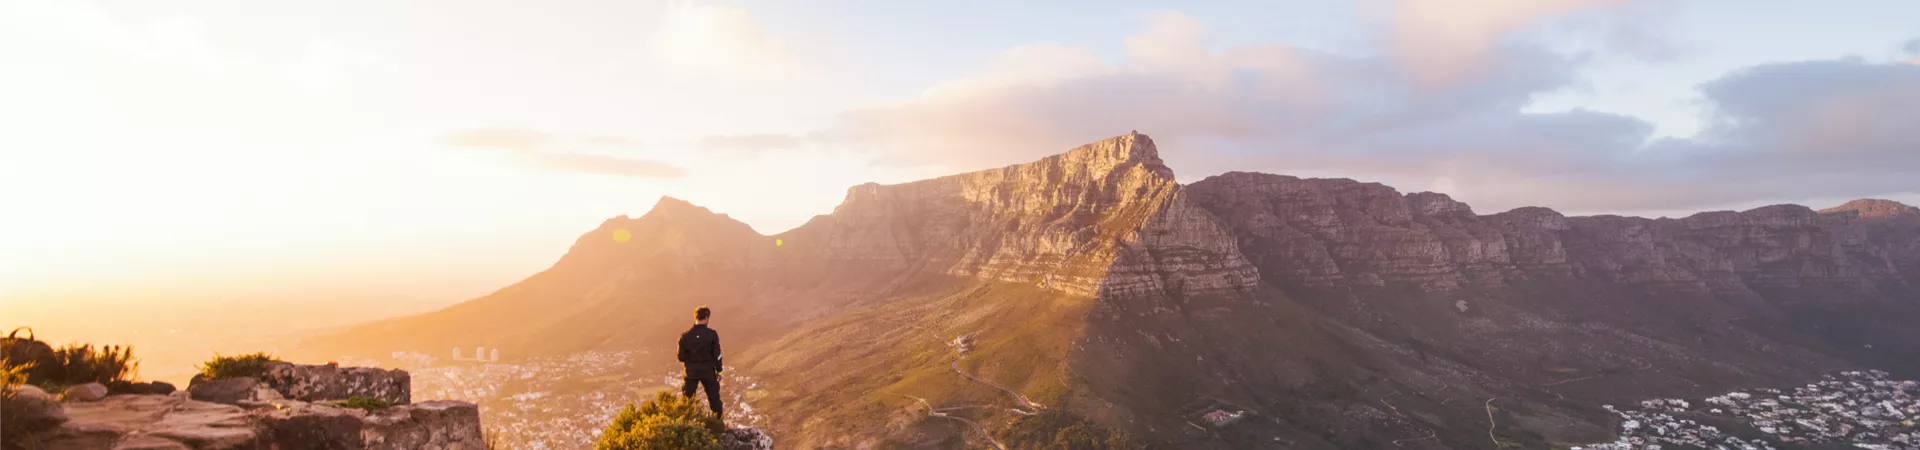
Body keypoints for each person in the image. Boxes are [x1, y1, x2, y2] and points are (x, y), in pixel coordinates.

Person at [677, 306, 724, 418]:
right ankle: (718, 422)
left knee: (687, 400)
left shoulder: (685, 336)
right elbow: (717, 355)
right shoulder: (712, 334)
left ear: (695, 318)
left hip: (691, 372)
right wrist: (719, 371)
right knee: (714, 399)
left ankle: (685, 423)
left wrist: (692, 359)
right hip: (708, 371)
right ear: (706, 317)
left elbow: (680, 357)